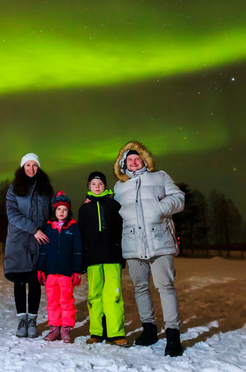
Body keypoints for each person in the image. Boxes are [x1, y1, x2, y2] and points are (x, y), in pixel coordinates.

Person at [112, 141, 185, 357]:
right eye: (129, 160)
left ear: (144, 160)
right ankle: (149, 330)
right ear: (123, 164)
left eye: (137, 159)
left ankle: (173, 334)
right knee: (140, 288)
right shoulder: (119, 186)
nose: (134, 162)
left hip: (159, 240)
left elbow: (179, 199)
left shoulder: (160, 176)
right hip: (133, 243)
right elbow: (113, 212)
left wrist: (160, 208)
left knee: (166, 287)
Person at [4, 153, 54, 338]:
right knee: (19, 280)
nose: (31, 168)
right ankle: (21, 321)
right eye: (28, 165)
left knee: (35, 281)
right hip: (19, 241)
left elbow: (53, 211)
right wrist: (33, 229)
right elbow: (13, 215)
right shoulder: (13, 189)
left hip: (39, 241)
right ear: (22, 167)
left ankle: (32, 320)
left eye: (34, 165)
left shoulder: (46, 189)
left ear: (38, 167)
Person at [78, 171, 127, 346]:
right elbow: (81, 235)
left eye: (100, 184)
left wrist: (122, 254)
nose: (97, 187)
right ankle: (97, 332)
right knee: (94, 296)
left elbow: (121, 231)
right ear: (88, 186)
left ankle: (116, 333)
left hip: (112, 256)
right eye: (93, 184)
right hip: (92, 259)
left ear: (105, 186)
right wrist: (81, 260)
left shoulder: (114, 205)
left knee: (113, 295)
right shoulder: (84, 208)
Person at [37, 191, 83, 343]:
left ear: (68, 211)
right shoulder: (48, 228)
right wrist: (41, 269)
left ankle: (65, 329)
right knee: (53, 302)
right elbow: (43, 251)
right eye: (58, 209)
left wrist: (77, 270)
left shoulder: (73, 228)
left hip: (66, 273)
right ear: (54, 211)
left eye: (64, 209)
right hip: (51, 273)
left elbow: (77, 251)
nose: (61, 212)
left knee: (66, 301)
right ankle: (54, 328)